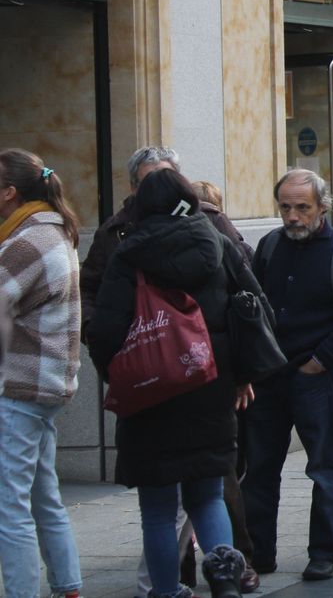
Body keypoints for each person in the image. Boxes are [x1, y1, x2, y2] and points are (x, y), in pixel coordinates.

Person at [85, 168, 252, 598]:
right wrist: (240, 374)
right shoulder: (217, 244)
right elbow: (254, 310)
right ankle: (225, 583)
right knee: (208, 496)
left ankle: (166, 592)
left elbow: (103, 331)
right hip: (210, 387)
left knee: (158, 511)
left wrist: (120, 376)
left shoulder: (129, 255)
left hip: (151, 397)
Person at [243, 169, 333, 581]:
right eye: (285, 207)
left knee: (324, 468)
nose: (293, 216)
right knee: (260, 468)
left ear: (322, 207)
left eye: (302, 207)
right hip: (269, 376)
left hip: (313, 376)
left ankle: (323, 553)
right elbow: (254, 306)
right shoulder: (269, 246)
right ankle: (259, 553)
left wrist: (320, 360)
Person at [0, 150, 85, 598]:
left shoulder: (27, 242)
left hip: (19, 387)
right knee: (42, 497)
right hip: (43, 387)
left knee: (9, 508)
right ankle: (68, 587)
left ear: (9, 192)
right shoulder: (54, 232)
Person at [82, 146, 247, 332]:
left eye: (165, 179)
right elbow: (89, 288)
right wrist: (91, 328)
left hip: (209, 341)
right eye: (149, 183)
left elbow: (244, 276)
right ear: (133, 188)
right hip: (145, 343)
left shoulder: (211, 221)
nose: (159, 190)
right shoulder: (114, 232)